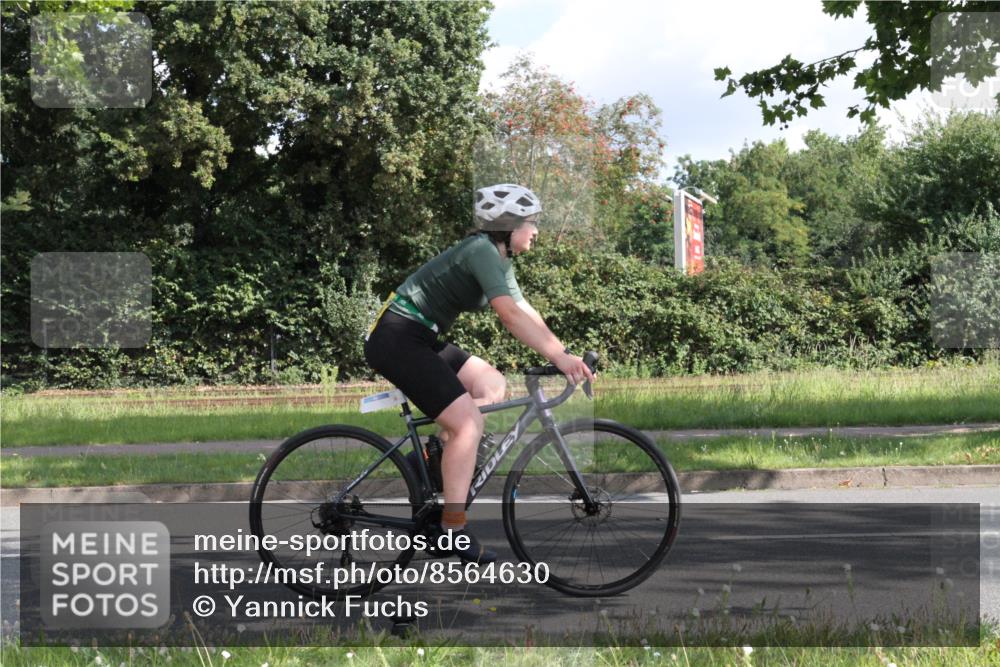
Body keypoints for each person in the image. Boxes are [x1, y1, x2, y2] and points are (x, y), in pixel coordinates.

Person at [363, 184, 594, 564]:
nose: (536, 230)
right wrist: (559, 357)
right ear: (508, 226)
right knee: (469, 424)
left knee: (491, 384)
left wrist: (564, 355)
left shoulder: (499, 259)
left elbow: (525, 310)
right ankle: (451, 529)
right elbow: (509, 316)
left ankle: (432, 458)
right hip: (398, 336)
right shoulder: (481, 251)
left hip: (419, 334)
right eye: (531, 222)